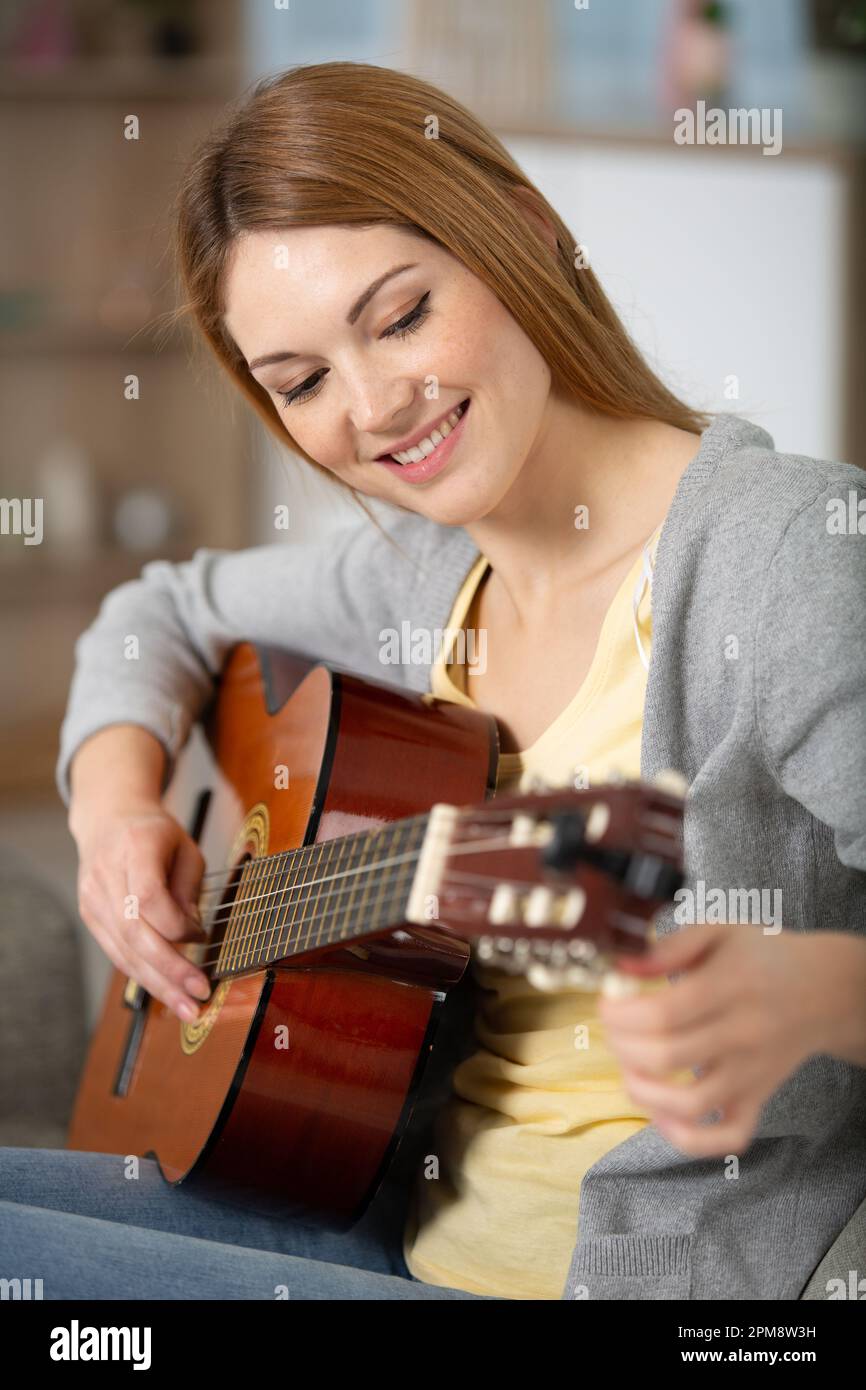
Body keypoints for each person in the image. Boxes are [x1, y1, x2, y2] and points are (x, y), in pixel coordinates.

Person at [2, 61, 865, 1301]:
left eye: (399, 315)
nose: (370, 409)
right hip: (382, 1225)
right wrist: (115, 813)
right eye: (298, 382)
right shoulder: (420, 581)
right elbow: (159, 612)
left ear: (521, 232)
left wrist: (818, 987)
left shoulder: (784, 564)